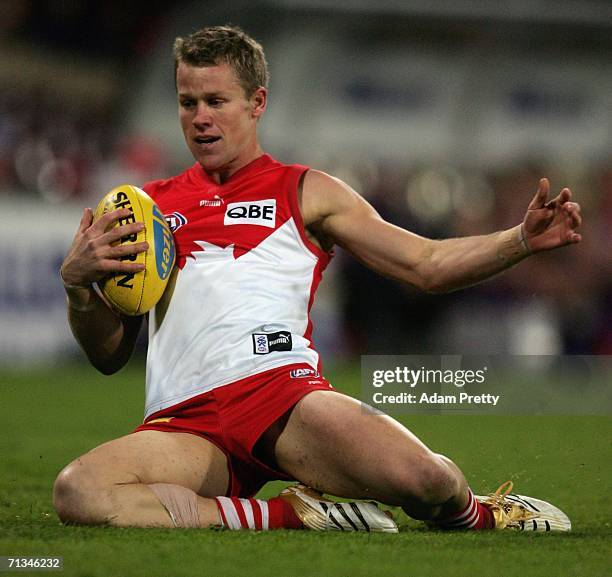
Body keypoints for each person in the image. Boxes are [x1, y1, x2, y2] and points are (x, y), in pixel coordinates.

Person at [54, 25, 580, 533]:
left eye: (217, 102)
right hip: (185, 423)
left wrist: (520, 241)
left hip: (281, 400)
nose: (200, 118)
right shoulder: (148, 208)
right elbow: (109, 357)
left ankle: (486, 513)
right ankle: (293, 514)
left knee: (428, 480)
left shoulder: (306, 191)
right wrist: (80, 289)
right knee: (80, 490)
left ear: (257, 103)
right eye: (188, 102)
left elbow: (426, 265)